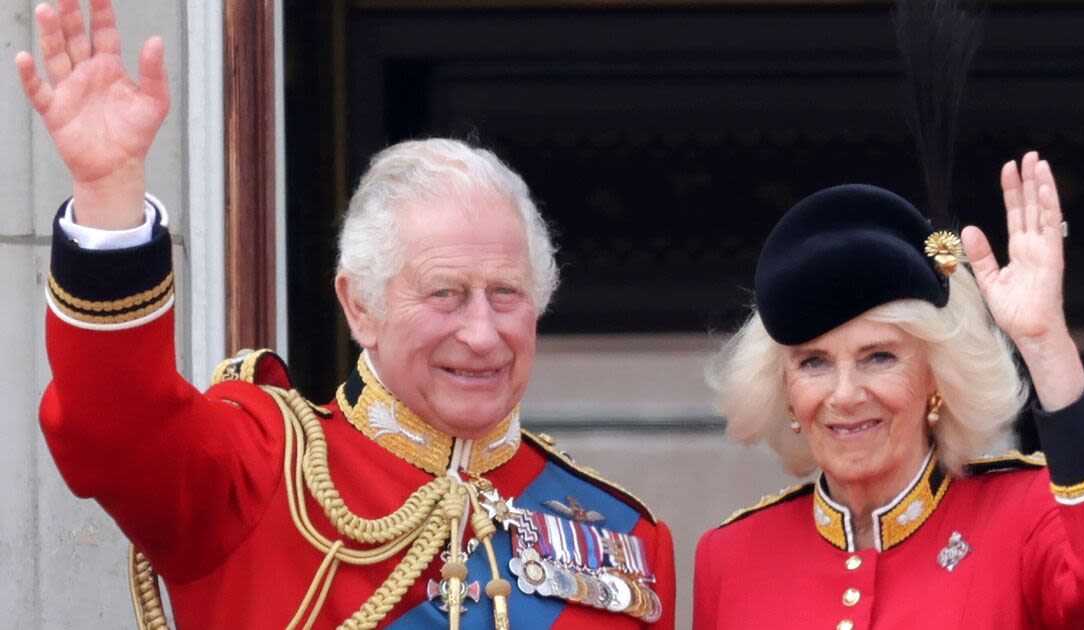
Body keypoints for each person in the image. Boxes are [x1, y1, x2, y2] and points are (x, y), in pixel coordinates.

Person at [16, 1, 674, 628]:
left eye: (505, 293)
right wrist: (109, 193)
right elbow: (115, 427)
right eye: (444, 293)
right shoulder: (260, 472)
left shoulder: (620, 537)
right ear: (361, 306)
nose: (481, 333)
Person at [693, 155, 1084, 629]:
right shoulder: (731, 556)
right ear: (785, 390)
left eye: (879, 357)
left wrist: (1044, 343)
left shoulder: (1023, 515)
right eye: (813, 363)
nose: (845, 394)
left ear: (937, 377)